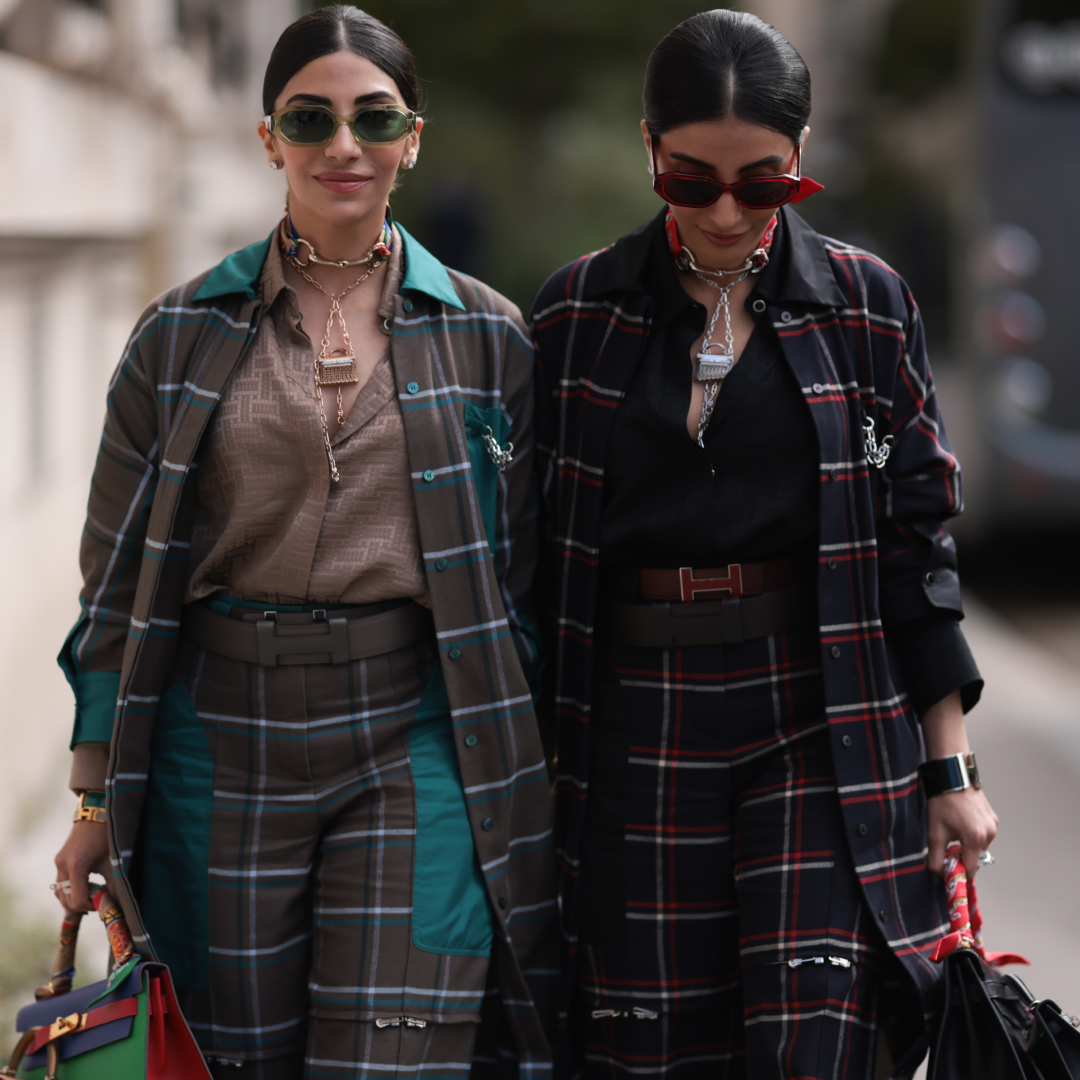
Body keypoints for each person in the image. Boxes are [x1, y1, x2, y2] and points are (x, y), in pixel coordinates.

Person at [52, 7, 555, 1078]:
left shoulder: (489, 336)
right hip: (215, 744)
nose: (343, 144)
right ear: (267, 135)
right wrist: (95, 800)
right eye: (310, 117)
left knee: (396, 1058)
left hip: (413, 739)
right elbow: (113, 589)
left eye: (374, 118)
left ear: (413, 137)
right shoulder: (179, 334)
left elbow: (523, 590)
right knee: (229, 1058)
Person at [531, 10, 997, 1079]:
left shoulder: (867, 311)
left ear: (801, 160)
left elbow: (910, 532)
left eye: (765, 183)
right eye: (693, 183)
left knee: (820, 1033)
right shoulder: (574, 318)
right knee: (649, 1045)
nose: (729, 211)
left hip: (820, 719)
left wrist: (949, 767)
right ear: (649, 151)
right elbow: (535, 556)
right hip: (634, 723)